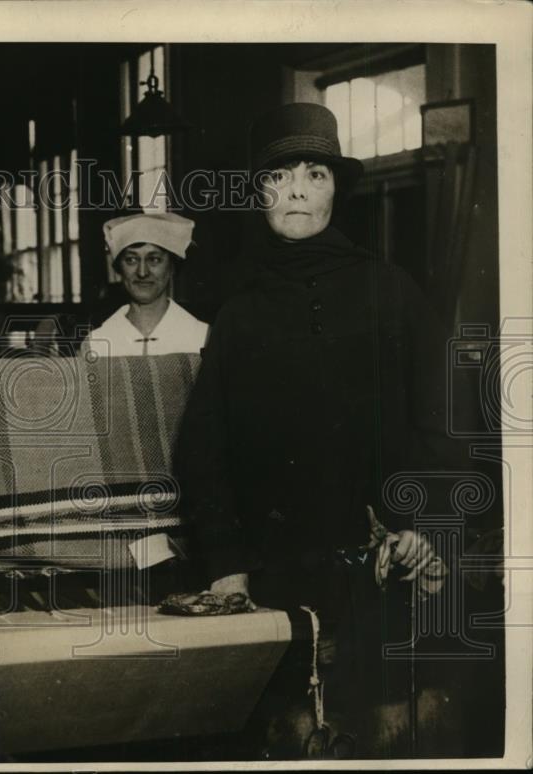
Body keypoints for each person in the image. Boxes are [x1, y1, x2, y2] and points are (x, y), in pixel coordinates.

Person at [174, 103, 455, 757]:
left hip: (384, 564)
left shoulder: (394, 293)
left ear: (336, 189)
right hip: (275, 578)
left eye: (315, 173)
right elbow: (203, 448)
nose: (297, 189)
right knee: (288, 736)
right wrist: (226, 566)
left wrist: (419, 519)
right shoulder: (238, 312)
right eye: (279, 175)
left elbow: (444, 418)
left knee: (386, 732)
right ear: (259, 193)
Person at [83, 212, 209, 356]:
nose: (142, 272)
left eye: (154, 259)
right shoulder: (96, 343)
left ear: (172, 266)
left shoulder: (201, 336)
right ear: (119, 267)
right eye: (131, 260)